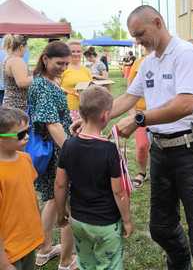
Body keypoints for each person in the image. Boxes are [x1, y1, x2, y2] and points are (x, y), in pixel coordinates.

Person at [111, 6, 193, 269]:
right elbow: (128, 97)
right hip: (161, 152)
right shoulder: (148, 62)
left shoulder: (185, 53)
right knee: (161, 228)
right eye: (134, 36)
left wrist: (139, 119)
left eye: (140, 33)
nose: (137, 41)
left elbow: (185, 104)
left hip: (191, 152)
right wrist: (91, 119)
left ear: (158, 22)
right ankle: (179, 265)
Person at [55, 85, 133, 270]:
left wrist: (60, 214)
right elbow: (119, 191)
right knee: (109, 265)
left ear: (81, 113)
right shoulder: (109, 150)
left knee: (85, 263)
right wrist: (127, 220)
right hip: (105, 224)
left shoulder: (68, 145)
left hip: (78, 221)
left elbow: (60, 185)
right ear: (106, 116)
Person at [28, 41, 76, 270]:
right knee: (66, 204)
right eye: (59, 63)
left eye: (66, 63)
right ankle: (67, 261)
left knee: (49, 200)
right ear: (45, 59)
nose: (63, 67)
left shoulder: (44, 82)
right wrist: (73, 152)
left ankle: (43, 250)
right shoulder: (43, 85)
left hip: (51, 152)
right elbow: (52, 124)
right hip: (58, 152)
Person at [0, 107, 44, 270]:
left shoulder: (26, 159)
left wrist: (38, 233)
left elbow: (29, 197)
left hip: (28, 241)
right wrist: (3, 263)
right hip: (8, 252)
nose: (26, 137)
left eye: (28, 131)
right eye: (20, 134)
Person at [127, 49, 150, 188]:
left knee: (158, 146)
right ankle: (142, 172)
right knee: (142, 146)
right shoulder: (138, 63)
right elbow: (129, 89)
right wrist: (132, 112)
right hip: (141, 113)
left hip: (160, 112)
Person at [61, 41, 92, 121]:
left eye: (78, 51)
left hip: (86, 109)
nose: (76, 54)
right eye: (73, 51)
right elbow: (55, 87)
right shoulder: (63, 69)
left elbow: (91, 86)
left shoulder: (86, 70)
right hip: (68, 109)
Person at [2, 35, 32, 111]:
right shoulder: (16, 60)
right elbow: (22, 82)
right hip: (16, 106)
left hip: (11, 104)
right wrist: (39, 76)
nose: (26, 50)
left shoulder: (9, 58)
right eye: (26, 47)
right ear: (21, 47)